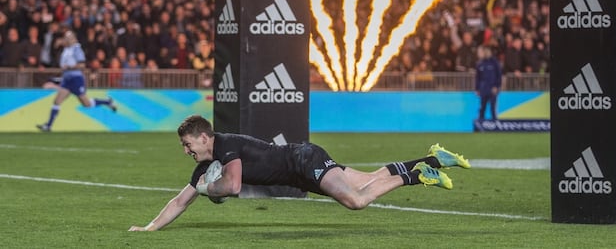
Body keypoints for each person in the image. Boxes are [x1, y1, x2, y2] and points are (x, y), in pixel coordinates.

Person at [129, 115, 470, 231]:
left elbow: (232, 187)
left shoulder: (225, 145)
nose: (187, 151)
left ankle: (419, 175)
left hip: (304, 160)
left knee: (356, 201)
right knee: (368, 180)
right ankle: (436, 159)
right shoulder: (206, 165)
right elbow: (180, 200)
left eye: (189, 144)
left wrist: (208, 190)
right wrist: (150, 227)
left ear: (205, 137)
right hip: (299, 173)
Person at [36, 30, 117, 132]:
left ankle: (107, 101)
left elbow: (82, 65)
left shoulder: (77, 49)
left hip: (76, 78)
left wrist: (70, 67)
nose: (66, 39)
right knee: (57, 101)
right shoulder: (66, 49)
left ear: (73, 38)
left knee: (86, 103)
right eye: (66, 37)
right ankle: (48, 125)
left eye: (68, 37)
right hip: (67, 79)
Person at [475, 45, 502, 121]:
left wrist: (497, 86)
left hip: (492, 89)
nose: (479, 54)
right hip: (483, 90)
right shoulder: (479, 64)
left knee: (493, 109)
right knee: (482, 109)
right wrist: (477, 89)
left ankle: (495, 127)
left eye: (480, 52)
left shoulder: (494, 62)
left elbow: (499, 75)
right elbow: (478, 78)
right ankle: (480, 128)